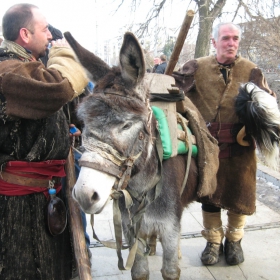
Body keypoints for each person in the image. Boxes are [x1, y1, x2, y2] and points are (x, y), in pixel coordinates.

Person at [172, 22, 276, 266]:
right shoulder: (196, 67)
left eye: (235, 39)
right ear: (214, 41)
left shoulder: (252, 70)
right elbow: (172, 91)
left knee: (240, 196)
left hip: (242, 149)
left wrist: (264, 105)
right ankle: (213, 242)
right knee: (210, 196)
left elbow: (269, 106)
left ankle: (235, 241)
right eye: (226, 38)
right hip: (208, 148)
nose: (231, 43)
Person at [0, 3, 88, 280]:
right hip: (18, 205)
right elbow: (58, 87)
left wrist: (65, 130)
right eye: (45, 28)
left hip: (48, 194)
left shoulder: (29, 67)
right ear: (24, 35)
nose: (51, 35)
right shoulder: (7, 69)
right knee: (23, 270)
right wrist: (65, 53)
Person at [40, 24, 92, 260]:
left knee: (74, 200)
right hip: (45, 157)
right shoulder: (41, 71)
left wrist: (76, 128)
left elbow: (87, 107)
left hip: (71, 151)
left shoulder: (74, 73)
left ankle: (83, 249)